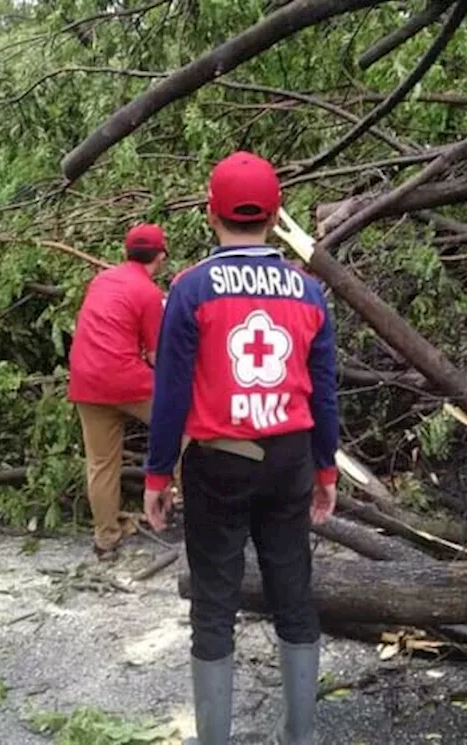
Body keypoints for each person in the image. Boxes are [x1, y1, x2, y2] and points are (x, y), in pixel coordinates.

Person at [142, 152, 339, 745]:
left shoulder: (191, 288)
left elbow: (171, 392)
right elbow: (324, 393)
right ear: (276, 215)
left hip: (218, 463)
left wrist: (156, 477)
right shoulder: (309, 292)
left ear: (211, 214)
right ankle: (299, 739)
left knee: (214, 603)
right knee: (293, 594)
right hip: (289, 460)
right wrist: (326, 468)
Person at [67, 223, 169, 560]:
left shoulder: (101, 279)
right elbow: (156, 356)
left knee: (100, 463)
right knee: (184, 426)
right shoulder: (150, 293)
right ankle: (180, 501)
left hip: (84, 379)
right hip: (125, 379)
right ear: (161, 256)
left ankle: (106, 540)